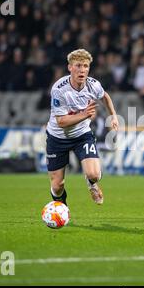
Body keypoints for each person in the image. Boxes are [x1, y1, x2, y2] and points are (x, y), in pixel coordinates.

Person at [46, 49, 118, 206]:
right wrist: (85, 114)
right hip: (58, 138)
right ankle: (62, 208)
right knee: (57, 186)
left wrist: (112, 115)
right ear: (70, 67)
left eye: (85, 66)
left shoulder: (93, 85)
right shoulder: (59, 89)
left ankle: (91, 183)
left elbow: (104, 96)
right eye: (78, 66)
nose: (82, 70)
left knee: (94, 174)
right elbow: (61, 122)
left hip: (81, 136)